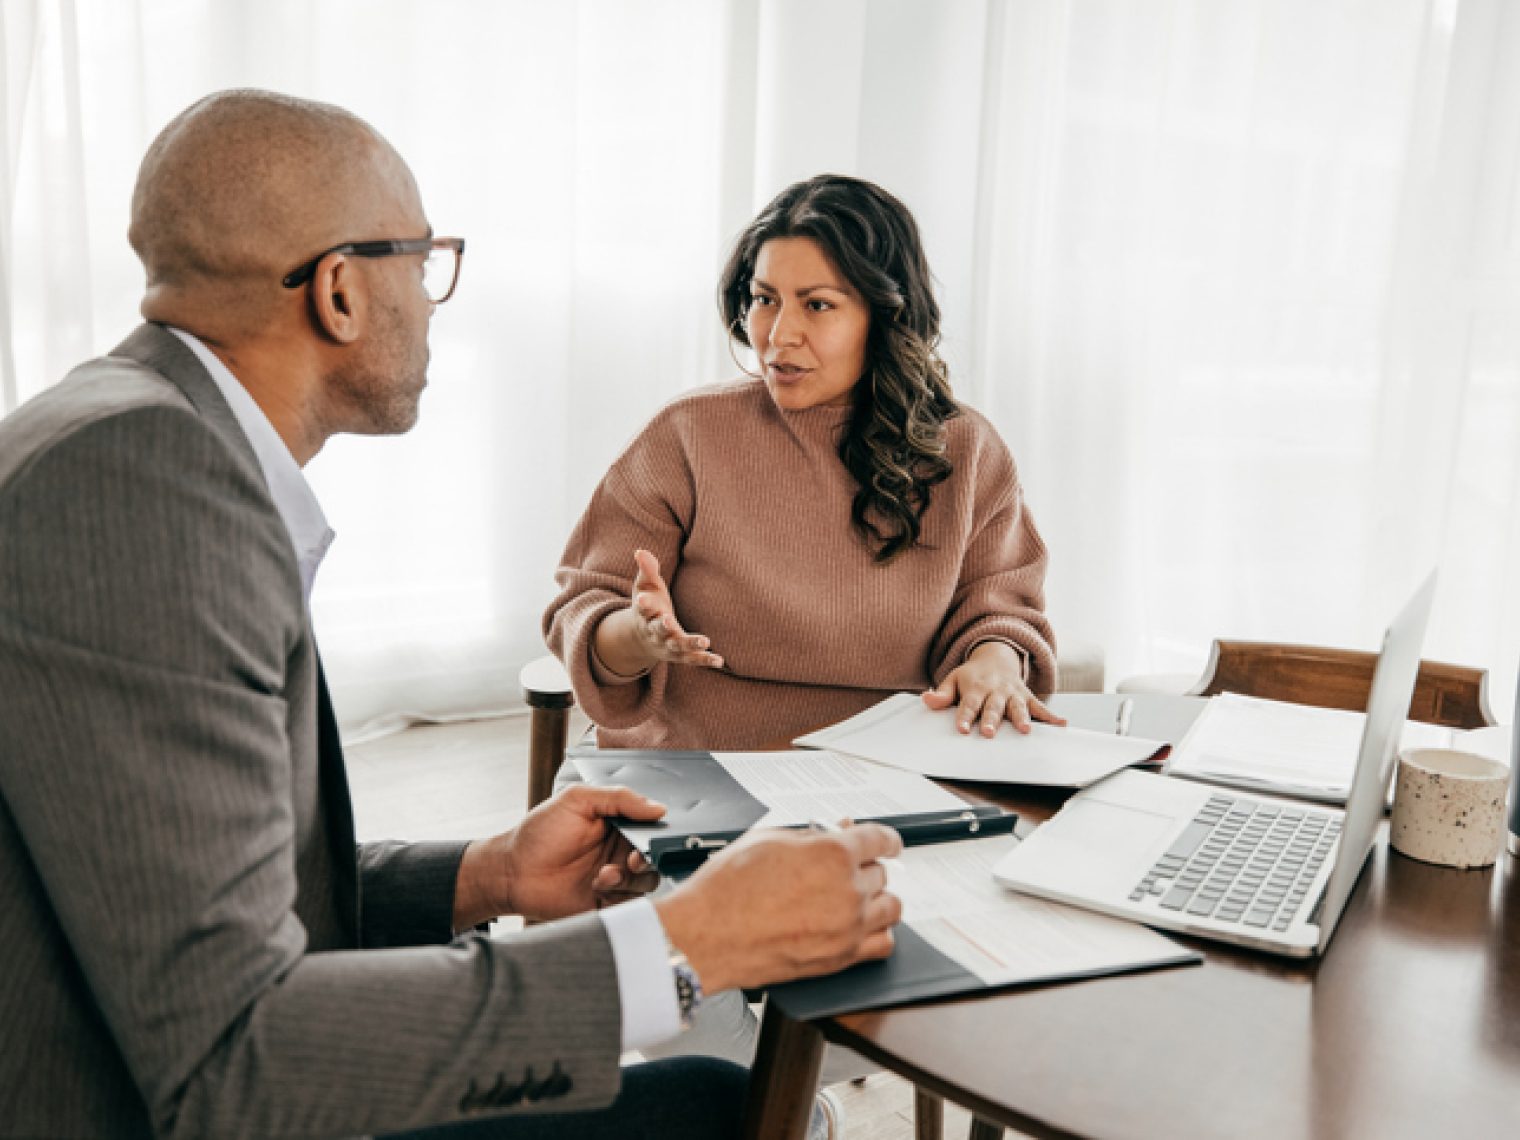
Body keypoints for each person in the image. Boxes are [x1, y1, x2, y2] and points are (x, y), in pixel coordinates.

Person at [0, 90, 902, 1140]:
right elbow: (233, 1062)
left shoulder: (130, 435)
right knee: (728, 1114)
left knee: (726, 1104)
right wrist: (684, 943)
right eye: (423, 265)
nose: (433, 303)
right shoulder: (142, 486)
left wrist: (487, 874)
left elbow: (188, 890)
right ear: (339, 291)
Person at [545, 173, 1061, 752]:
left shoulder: (967, 451)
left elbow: (999, 609)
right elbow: (586, 605)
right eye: (765, 300)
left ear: (885, 315)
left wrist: (993, 659)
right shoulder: (687, 433)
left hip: (892, 771)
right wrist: (639, 638)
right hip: (696, 763)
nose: (779, 335)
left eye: (817, 305)